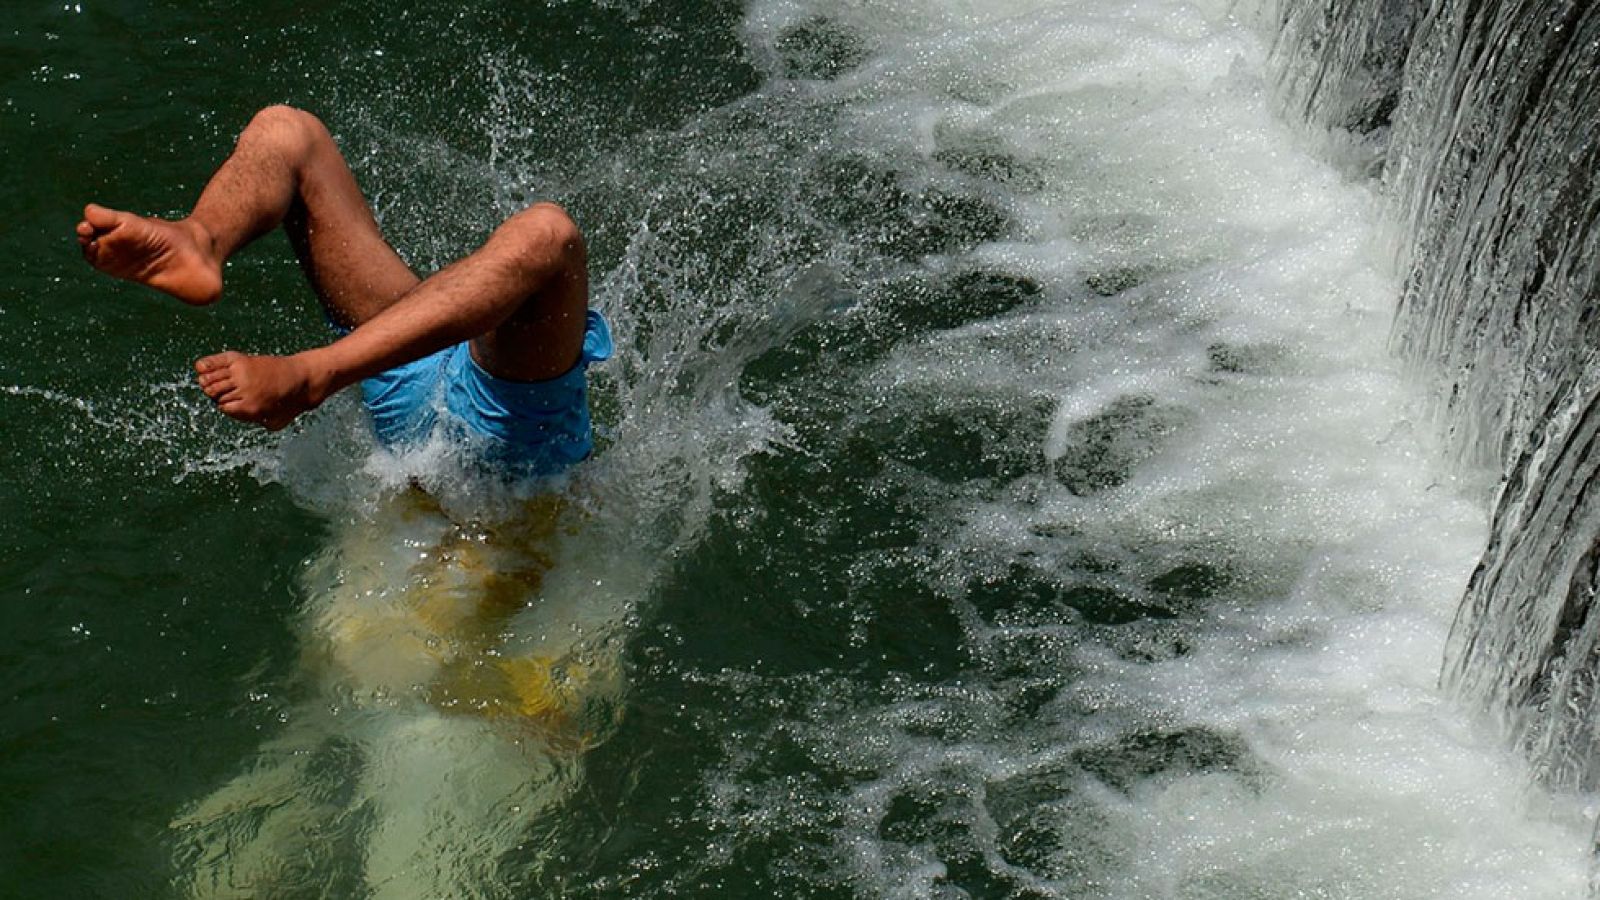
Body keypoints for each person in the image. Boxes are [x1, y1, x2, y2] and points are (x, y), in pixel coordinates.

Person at [75, 104, 611, 476]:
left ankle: (315, 372)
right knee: (285, 131)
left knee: (545, 236)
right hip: (428, 381)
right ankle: (200, 239)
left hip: (497, 430)